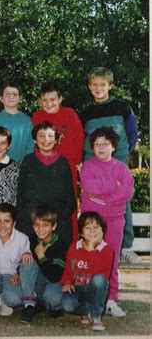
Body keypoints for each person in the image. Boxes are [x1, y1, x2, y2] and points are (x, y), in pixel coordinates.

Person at [80, 67, 139, 263]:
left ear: (110, 86)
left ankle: (125, 247)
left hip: (117, 160)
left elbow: (132, 134)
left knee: (121, 199)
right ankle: (94, 242)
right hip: (92, 162)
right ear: (89, 87)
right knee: (95, 200)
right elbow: (82, 138)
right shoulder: (86, 112)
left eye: (103, 85)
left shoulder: (122, 107)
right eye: (95, 85)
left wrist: (121, 155)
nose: (98, 88)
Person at [80, 127, 134, 318]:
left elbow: (127, 192)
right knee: (90, 258)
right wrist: (112, 185)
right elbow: (89, 186)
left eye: (105, 144)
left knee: (112, 259)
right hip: (92, 222)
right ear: (92, 147)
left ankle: (111, 300)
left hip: (115, 220)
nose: (101, 147)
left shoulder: (121, 168)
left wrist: (104, 197)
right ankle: (90, 301)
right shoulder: (87, 166)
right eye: (97, 144)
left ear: (113, 147)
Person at [32, 81, 84, 240]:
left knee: (69, 207)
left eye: (53, 100)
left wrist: (76, 162)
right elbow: (36, 142)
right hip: (45, 167)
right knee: (45, 207)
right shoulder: (37, 116)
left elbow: (79, 138)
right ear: (40, 100)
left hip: (67, 167)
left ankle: (71, 243)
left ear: (60, 99)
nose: (49, 104)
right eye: (45, 100)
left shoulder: (70, 114)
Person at [16, 121, 76, 247]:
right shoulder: (28, 161)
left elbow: (69, 196)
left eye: (50, 135)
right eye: (41, 136)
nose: (46, 139)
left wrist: (55, 217)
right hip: (31, 218)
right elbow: (21, 193)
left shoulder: (63, 163)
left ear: (56, 140)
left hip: (57, 219)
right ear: (35, 140)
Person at [61, 211, 114, 331]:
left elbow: (99, 275)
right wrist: (67, 282)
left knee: (99, 280)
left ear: (102, 230)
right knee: (66, 304)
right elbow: (68, 270)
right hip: (79, 288)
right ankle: (87, 310)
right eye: (88, 228)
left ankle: (96, 316)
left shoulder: (107, 249)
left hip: (96, 289)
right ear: (81, 232)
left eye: (96, 227)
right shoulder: (74, 247)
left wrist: (91, 248)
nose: (92, 231)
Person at [29, 205, 67, 319]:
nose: (40, 229)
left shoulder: (59, 245)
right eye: (37, 225)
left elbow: (55, 277)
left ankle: (56, 306)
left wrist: (41, 256)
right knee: (28, 263)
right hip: (40, 279)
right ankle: (39, 302)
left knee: (52, 297)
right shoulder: (32, 240)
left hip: (54, 281)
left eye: (45, 225)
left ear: (54, 226)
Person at [0, 82, 33, 163]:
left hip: (22, 167)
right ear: (1, 99)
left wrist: (20, 164)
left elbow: (30, 147)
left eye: (14, 94)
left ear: (20, 98)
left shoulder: (27, 121)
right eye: (7, 94)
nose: (11, 97)